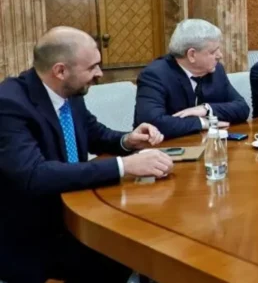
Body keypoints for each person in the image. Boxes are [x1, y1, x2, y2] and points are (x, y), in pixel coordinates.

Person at [0, 27, 174, 283]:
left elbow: (93, 133)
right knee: (127, 252)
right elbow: (35, 175)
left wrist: (127, 140)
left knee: (147, 239)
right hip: (34, 235)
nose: (100, 74)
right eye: (92, 67)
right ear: (60, 71)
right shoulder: (9, 103)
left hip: (78, 213)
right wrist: (124, 165)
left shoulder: (69, 92)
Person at [135, 19, 249, 139]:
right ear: (192, 55)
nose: (220, 55)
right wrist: (202, 122)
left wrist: (206, 109)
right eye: (213, 52)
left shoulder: (216, 70)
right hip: (165, 147)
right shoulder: (155, 75)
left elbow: (242, 108)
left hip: (205, 144)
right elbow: (151, 124)